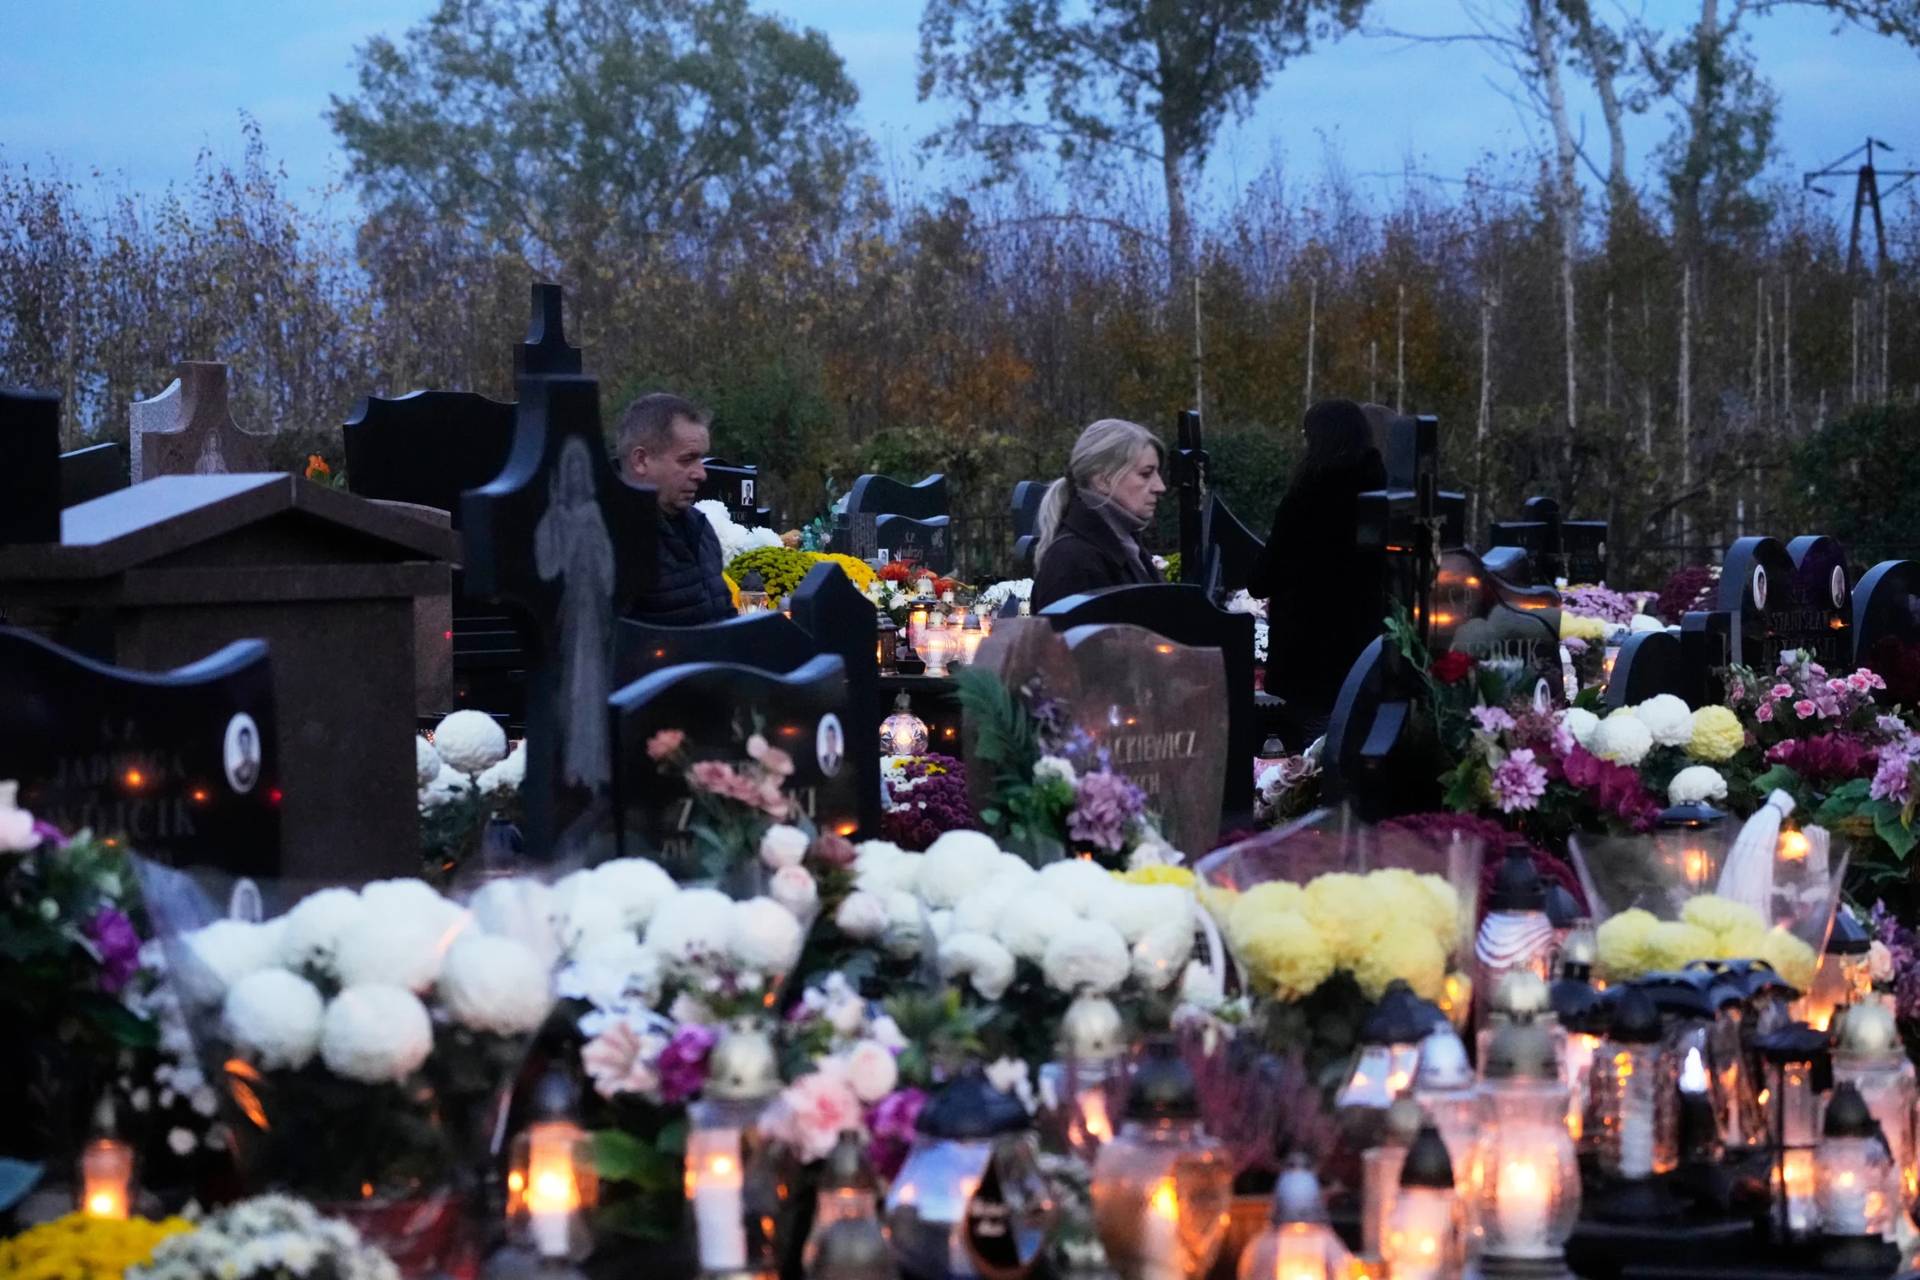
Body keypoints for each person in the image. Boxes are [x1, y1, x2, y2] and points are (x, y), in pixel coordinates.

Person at [1248, 399, 1389, 742]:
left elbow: (1263, 578)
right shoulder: (1386, 493)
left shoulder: (1308, 495)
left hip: (1309, 660)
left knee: (1315, 754)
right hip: (1370, 655)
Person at [619, 392, 733, 625]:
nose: (701, 474)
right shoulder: (611, 541)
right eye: (687, 459)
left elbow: (724, 619)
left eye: (701, 458)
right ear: (641, 460)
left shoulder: (701, 530)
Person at [1030, 418, 1167, 612]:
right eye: (1146, 474)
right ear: (1103, 480)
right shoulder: (1073, 561)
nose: (1160, 487)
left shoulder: (1124, 545)